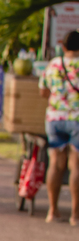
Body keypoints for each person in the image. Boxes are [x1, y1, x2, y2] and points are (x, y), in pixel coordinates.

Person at [39, 30, 79, 224]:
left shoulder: (54, 64)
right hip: (78, 120)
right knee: (76, 166)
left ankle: (52, 211)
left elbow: (43, 91)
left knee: (55, 163)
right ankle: (75, 215)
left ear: (63, 46)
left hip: (54, 118)